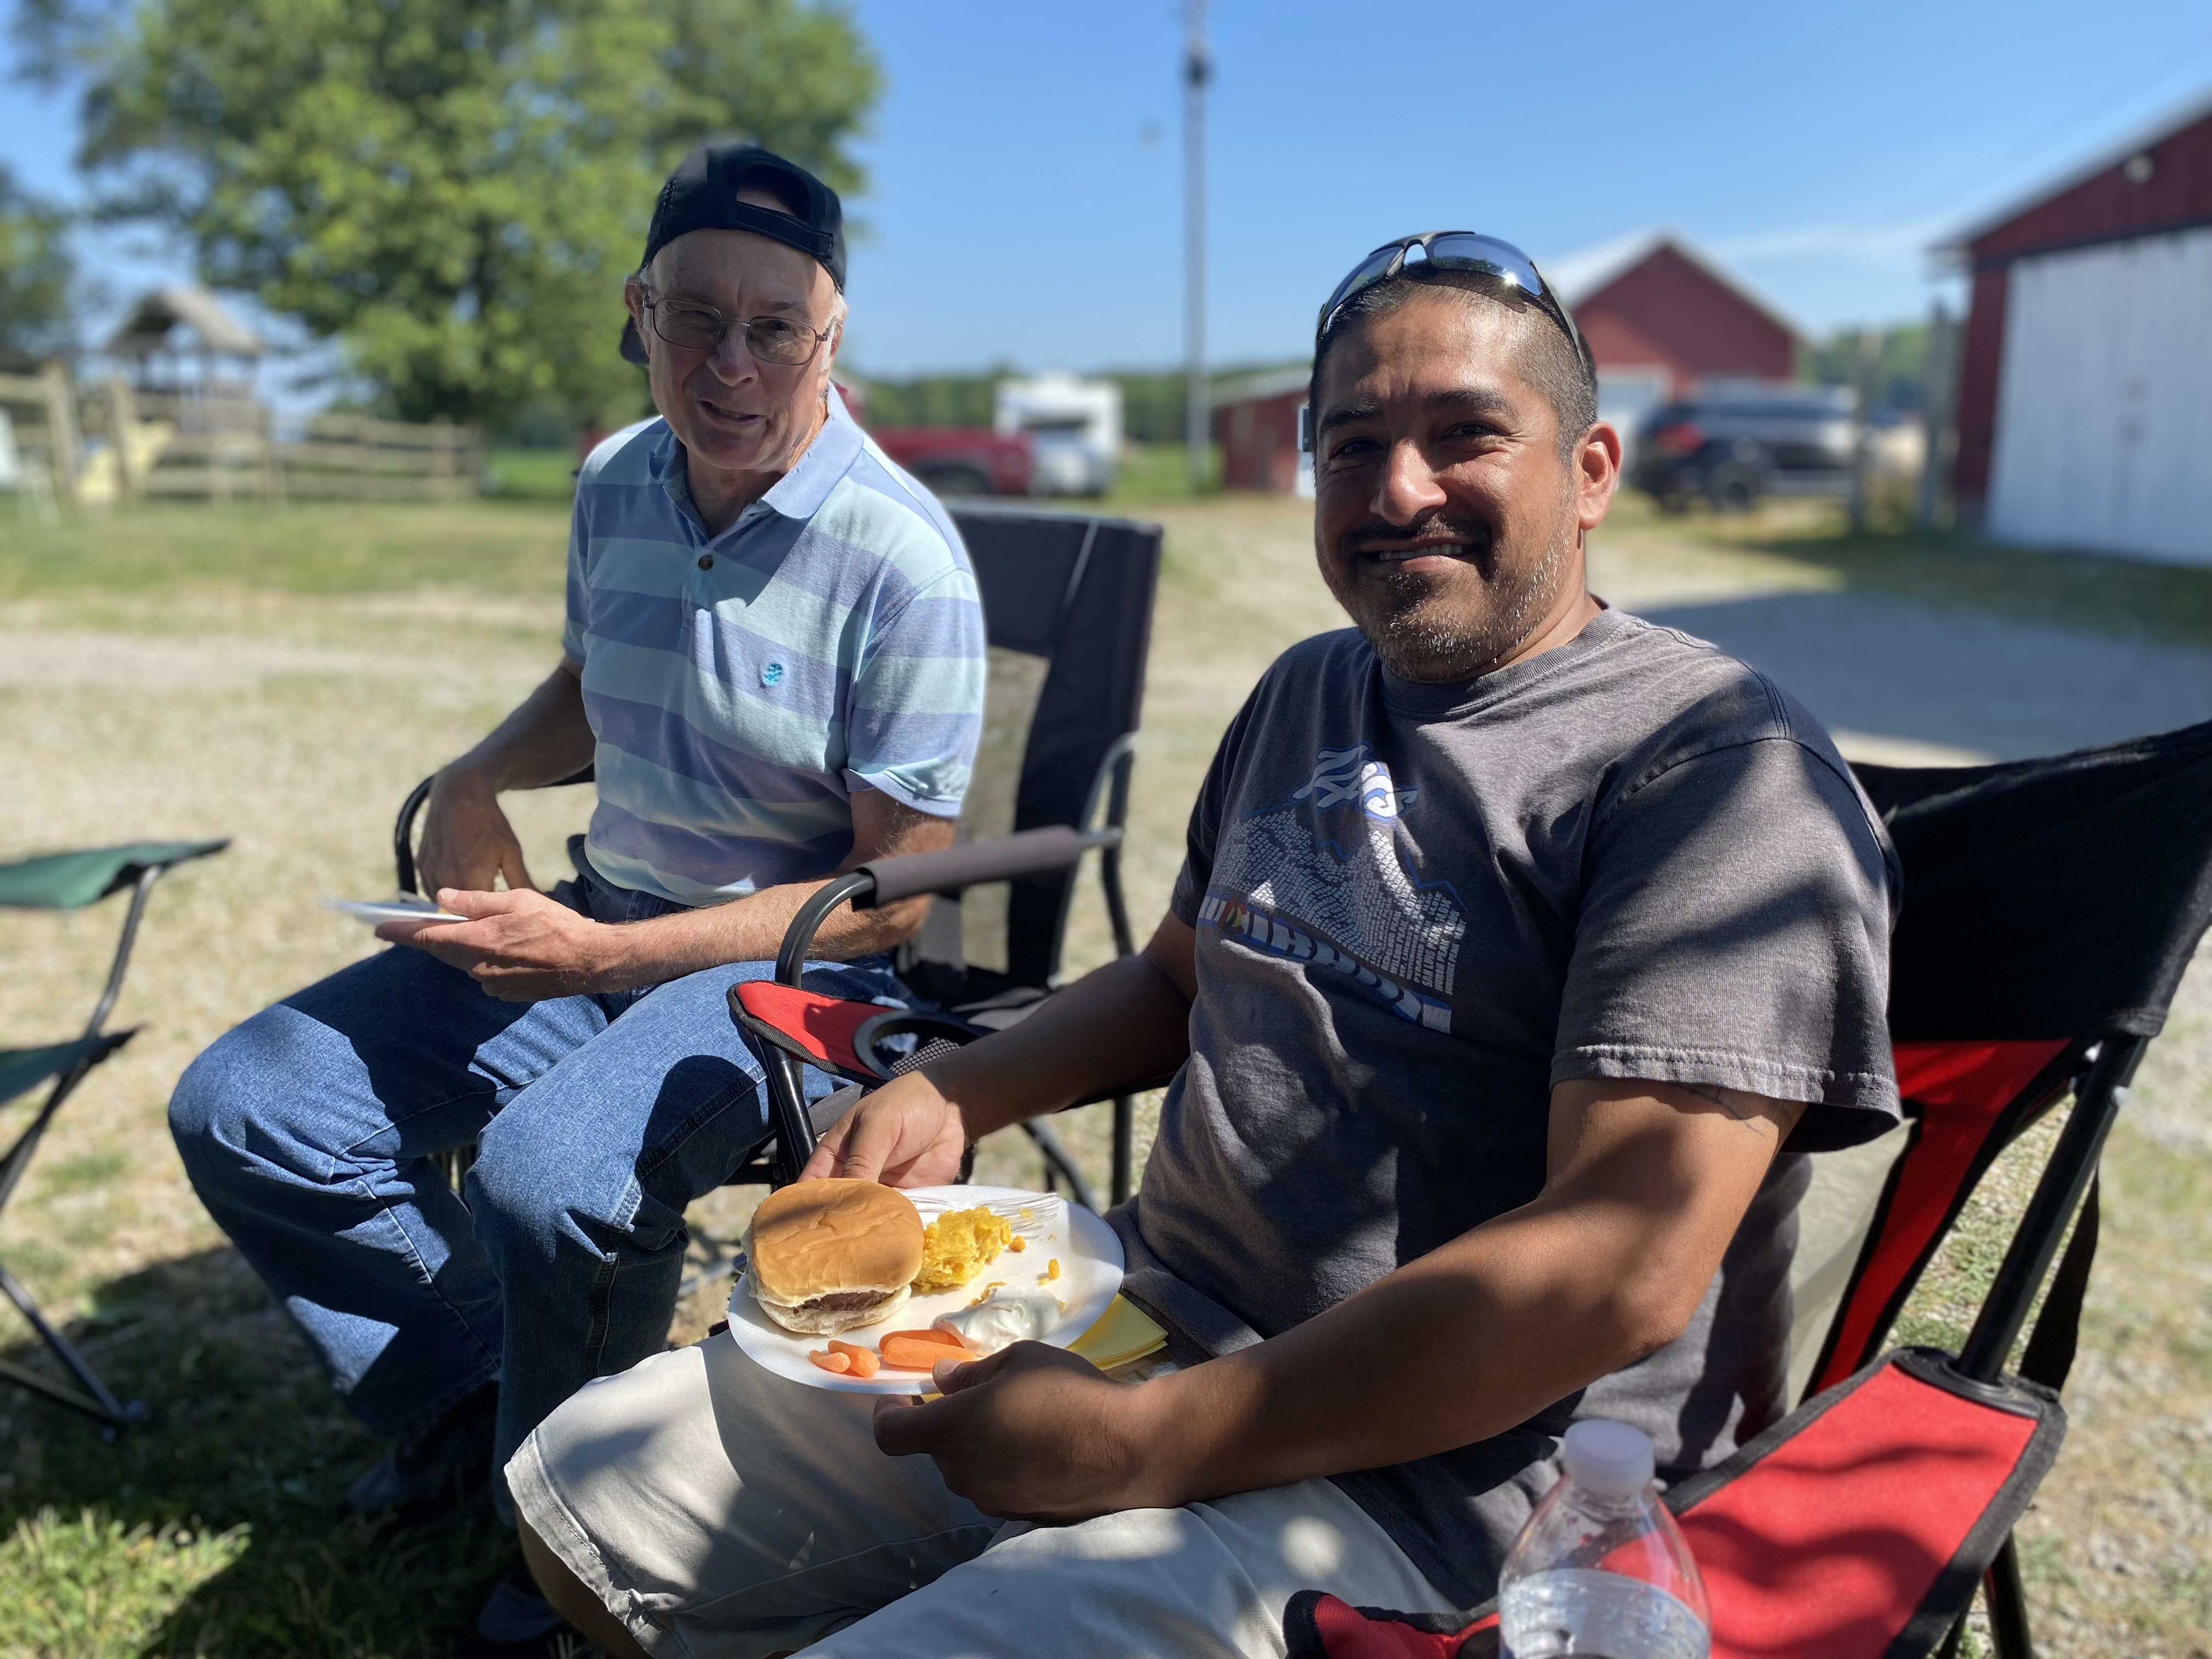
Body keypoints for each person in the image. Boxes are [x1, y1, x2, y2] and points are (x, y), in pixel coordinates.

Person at [506, 232, 1902, 1659]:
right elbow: (1178, 977)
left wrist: (1133, 1449)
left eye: (1465, 436)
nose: (1401, 490)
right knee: (579, 1495)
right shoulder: (1310, 690)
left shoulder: (1709, 773)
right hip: (1136, 1316)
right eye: (1353, 446)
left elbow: (1621, 1264)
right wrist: (959, 1088)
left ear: (1592, 471)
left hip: (1434, 1494)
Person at [167, 143, 986, 1652]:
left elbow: (891, 909)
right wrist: (476, 777)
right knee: (246, 1107)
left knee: (550, 1179)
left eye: (774, 329)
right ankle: (472, 1402)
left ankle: (574, 1548)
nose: (728, 365)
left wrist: (606, 950)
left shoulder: (904, 559)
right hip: (597, 925)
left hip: (789, 986)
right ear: (637, 308)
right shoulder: (618, 479)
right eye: (692, 318)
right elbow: (594, 682)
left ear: (833, 335)